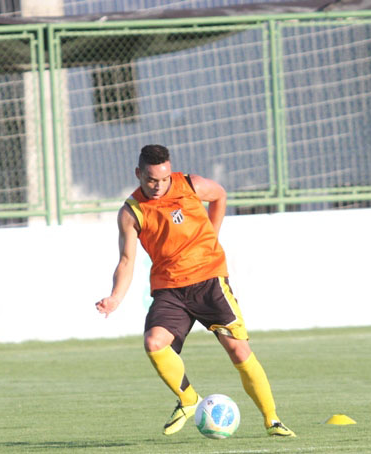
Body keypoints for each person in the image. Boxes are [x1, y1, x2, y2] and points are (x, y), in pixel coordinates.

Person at [95, 144, 295, 438]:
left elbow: (219, 195)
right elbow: (126, 260)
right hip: (170, 290)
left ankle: (272, 420)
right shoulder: (131, 212)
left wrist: (212, 234)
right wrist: (115, 298)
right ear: (138, 174)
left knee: (238, 350)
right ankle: (189, 399)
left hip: (210, 281)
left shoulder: (191, 185)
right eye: (151, 180)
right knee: (154, 343)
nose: (158, 186)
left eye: (163, 179)